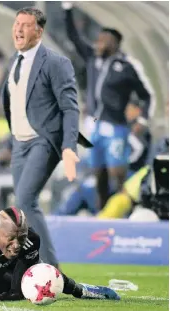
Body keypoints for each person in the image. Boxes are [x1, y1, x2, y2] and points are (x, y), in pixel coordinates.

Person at [0, 7, 92, 268]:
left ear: (39, 32)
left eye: (26, 25)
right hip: (19, 143)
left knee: (26, 200)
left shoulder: (56, 62)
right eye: (17, 23)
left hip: (44, 139)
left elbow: (70, 107)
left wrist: (68, 147)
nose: (18, 29)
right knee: (23, 208)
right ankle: (26, 262)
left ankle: (51, 268)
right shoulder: (13, 62)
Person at [62, 2, 155, 210]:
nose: (99, 43)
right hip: (94, 124)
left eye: (104, 40)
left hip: (115, 126)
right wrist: (67, 10)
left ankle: (125, 212)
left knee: (117, 173)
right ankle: (103, 213)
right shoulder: (92, 59)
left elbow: (146, 95)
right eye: (99, 39)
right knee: (99, 173)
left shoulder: (127, 67)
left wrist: (142, 118)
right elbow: (74, 37)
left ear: (115, 43)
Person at [0, 207, 120, 301]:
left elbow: (25, 282)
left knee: (22, 289)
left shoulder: (29, 239)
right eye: (11, 238)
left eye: (21, 238)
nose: (17, 245)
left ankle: (81, 289)